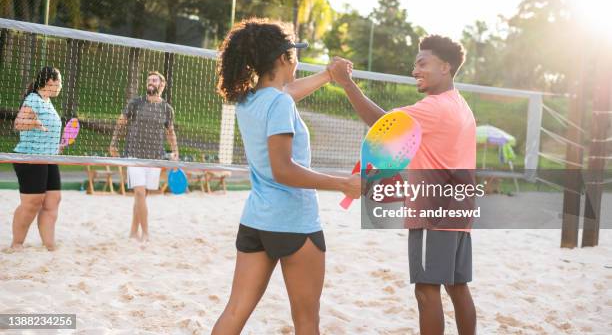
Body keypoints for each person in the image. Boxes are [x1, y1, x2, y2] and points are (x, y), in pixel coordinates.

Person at [211, 18, 361, 335]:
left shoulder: (249, 99)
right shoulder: (279, 103)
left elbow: (287, 91)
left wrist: (328, 76)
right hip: (294, 223)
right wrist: (342, 184)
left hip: (256, 221)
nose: (298, 61)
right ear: (283, 59)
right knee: (306, 323)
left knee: (234, 311)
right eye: (295, 55)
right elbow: (284, 169)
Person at [329, 35, 477, 335]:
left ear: (445, 67)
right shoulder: (460, 105)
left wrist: (346, 83)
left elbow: (384, 126)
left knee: (426, 291)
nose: (415, 71)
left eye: (423, 64)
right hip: (459, 208)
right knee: (457, 286)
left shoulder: (434, 107)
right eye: (415, 64)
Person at [109, 71, 178, 242]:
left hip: (154, 156)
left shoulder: (166, 109)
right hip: (134, 154)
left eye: (154, 80)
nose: (150, 82)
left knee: (142, 195)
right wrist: (113, 143)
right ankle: (146, 233)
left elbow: (170, 132)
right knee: (139, 193)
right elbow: (121, 121)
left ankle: (133, 231)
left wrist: (176, 152)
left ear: (162, 85)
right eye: (149, 80)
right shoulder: (136, 103)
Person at [12, 66, 63, 251]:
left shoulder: (47, 101)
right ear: (50, 81)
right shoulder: (33, 99)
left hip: (49, 157)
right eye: (59, 81)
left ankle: (49, 245)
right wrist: (35, 122)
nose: (60, 85)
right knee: (32, 203)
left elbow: (47, 131)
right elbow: (18, 124)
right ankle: (16, 244)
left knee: (53, 200)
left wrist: (56, 145)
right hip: (30, 156)